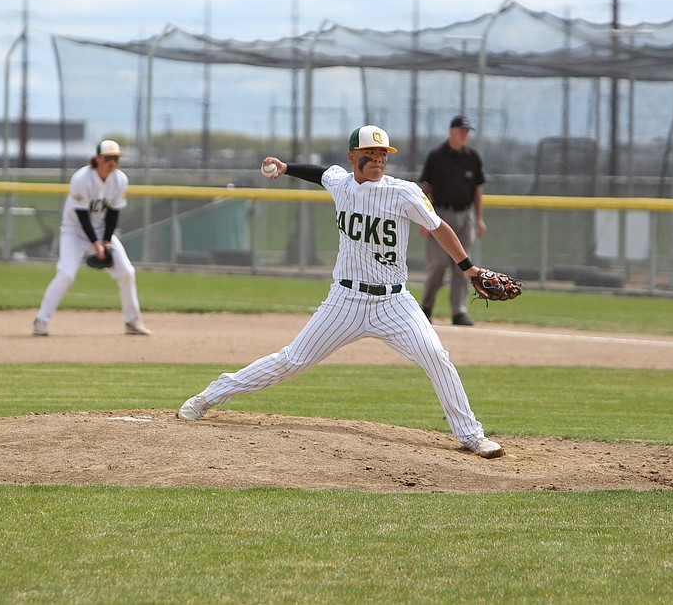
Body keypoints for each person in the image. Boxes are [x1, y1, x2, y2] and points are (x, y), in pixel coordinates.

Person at [177, 124, 504, 458]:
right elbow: (320, 174)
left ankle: (472, 436)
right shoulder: (340, 183)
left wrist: (469, 269)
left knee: (436, 356)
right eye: (369, 154)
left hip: (394, 302)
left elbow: (438, 228)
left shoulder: (403, 192)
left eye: (382, 155)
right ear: (353, 158)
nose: (378, 160)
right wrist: (286, 167)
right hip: (345, 301)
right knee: (291, 360)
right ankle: (208, 397)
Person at [32, 139, 151, 337]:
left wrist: (105, 241)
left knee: (127, 272)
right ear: (97, 159)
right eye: (108, 158)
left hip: (102, 230)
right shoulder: (81, 178)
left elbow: (113, 212)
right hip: (74, 231)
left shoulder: (120, 179)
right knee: (66, 274)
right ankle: (41, 321)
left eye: (116, 158)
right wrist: (96, 244)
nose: (112, 162)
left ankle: (132, 322)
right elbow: (82, 215)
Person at [418, 115, 487, 326]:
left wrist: (479, 219)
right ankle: (426, 308)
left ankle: (459, 311)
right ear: (452, 131)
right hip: (438, 214)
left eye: (467, 131)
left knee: (462, 266)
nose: (465, 134)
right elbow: (425, 188)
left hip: (465, 216)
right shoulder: (436, 156)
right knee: (438, 264)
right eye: (462, 130)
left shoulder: (473, 157)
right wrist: (423, 218)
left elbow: (477, 190)